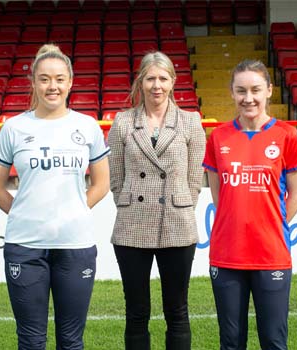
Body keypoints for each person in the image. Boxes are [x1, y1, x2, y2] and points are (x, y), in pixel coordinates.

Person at [0, 44, 110, 350]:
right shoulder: (14, 128)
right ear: (33, 82)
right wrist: (23, 214)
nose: (51, 86)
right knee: (30, 340)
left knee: (71, 340)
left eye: (58, 79)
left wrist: (75, 210)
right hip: (25, 247)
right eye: (44, 79)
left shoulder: (87, 126)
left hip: (75, 244)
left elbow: (102, 183)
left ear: (70, 81)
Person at [202, 59, 297, 350]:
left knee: (273, 341)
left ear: (269, 91)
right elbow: (219, 196)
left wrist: (268, 223)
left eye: (255, 90)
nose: (248, 98)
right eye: (241, 91)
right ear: (232, 93)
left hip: (271, 253)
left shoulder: (287, 135)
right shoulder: (219, 136)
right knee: (231, 341)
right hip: (227, 253)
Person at [108, 51, 206, 350]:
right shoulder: (123, 122)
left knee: (177, 311)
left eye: (163, 78)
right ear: (140, 81)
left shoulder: (190, 121)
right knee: (136, 312)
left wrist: (182, 206)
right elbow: (116, 178)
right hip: (131, 226)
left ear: (173, 82)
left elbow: (194, 179)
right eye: (150, 78)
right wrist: (132, 205)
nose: (156, 85)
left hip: (177, 226)